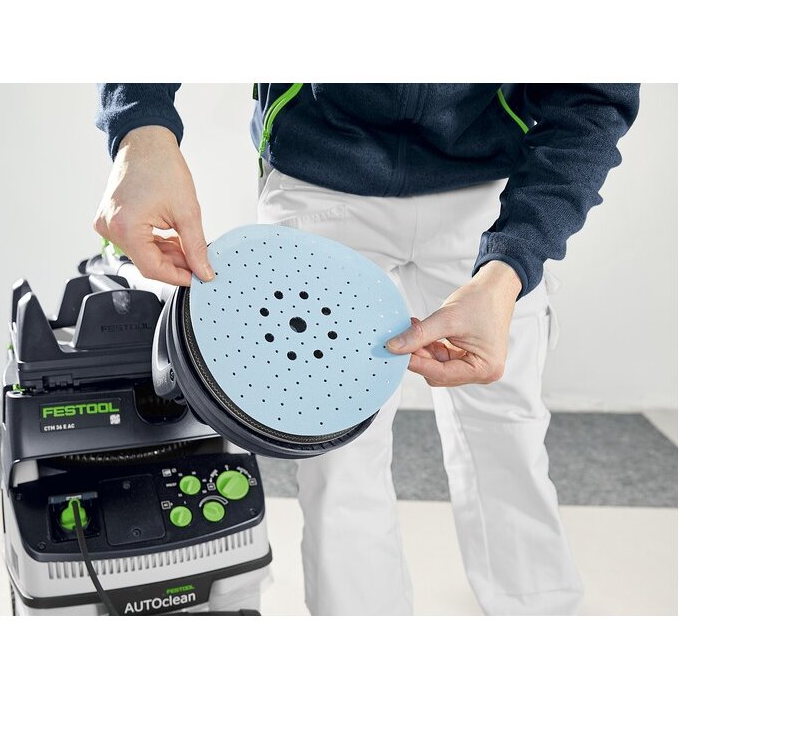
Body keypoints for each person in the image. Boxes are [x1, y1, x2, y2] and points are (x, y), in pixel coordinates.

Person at [94, 83, 639, 615]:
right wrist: (141, 128)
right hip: (321, 170)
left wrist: (514, 261)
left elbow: (594, 96)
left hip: (493, 183)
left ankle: (536, 609)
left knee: (507, 423)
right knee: (336, 454)